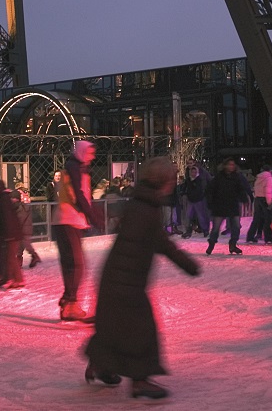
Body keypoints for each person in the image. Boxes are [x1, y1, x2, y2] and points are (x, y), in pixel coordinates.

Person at [83, 157, 200, 400]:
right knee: (142, 331)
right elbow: (160, 242)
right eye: (171, 179)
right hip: (126, 282)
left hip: (118, 278)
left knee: (113, 326)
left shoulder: (142, 202)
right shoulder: (146, 208)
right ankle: (140, 381)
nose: (174, 183)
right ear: (162, 181)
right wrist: (187, 264)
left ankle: (100, 365)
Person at [53, 140, 102, 321]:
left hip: (67, 221)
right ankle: (70, 303)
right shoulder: (75, 172)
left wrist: (91, 214)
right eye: (90, 153)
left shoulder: (76, 170)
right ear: (81, 153)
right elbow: (79, 197)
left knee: (72, 264)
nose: (93, 157)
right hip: (68, 220)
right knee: (76, 264)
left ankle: (69, 303)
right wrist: (94, 217)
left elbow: (82, 197)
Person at [205, 158, 250, 255]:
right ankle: (211, 243)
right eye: (229, 164)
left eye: (233, 165)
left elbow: (241, 189)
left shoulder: (236, 177)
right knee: (216, 227)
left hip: (232, 204)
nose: (231, 167)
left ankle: (233, 244)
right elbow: (211, 190)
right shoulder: (219, 177)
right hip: (220, 205)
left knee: (236, 226)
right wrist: (210, 202)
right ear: (225, 166)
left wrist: (244, 199)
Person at [0, 180, 25, 289]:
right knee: (5, 256)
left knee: (10, 257)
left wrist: (8, 234)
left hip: (11, 233)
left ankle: (18, 280)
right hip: (9, 233)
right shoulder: (3, 198)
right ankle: (7, 277)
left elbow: (7, 218)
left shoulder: (3, 199)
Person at [247, 165, 272, 244]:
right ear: (269, 170)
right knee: (267, 219)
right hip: (264, 199)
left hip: (257, 199)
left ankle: (250, 237)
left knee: (256, 219)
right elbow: (268, 190)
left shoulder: (258, 177)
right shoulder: (269, 178)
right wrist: (269, 202)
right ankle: (268, 238)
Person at [181, 165, 210, 239]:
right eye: (192, 172)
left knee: (201, 216)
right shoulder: (188, 180)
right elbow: (185, 187)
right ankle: (188, 230)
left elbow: (200, 189)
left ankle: (205, 230)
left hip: (198, 200)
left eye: (194, 172)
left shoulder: (199, 180)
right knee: (188, 215)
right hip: (191, 200)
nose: (193, 173)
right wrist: (184, 193)